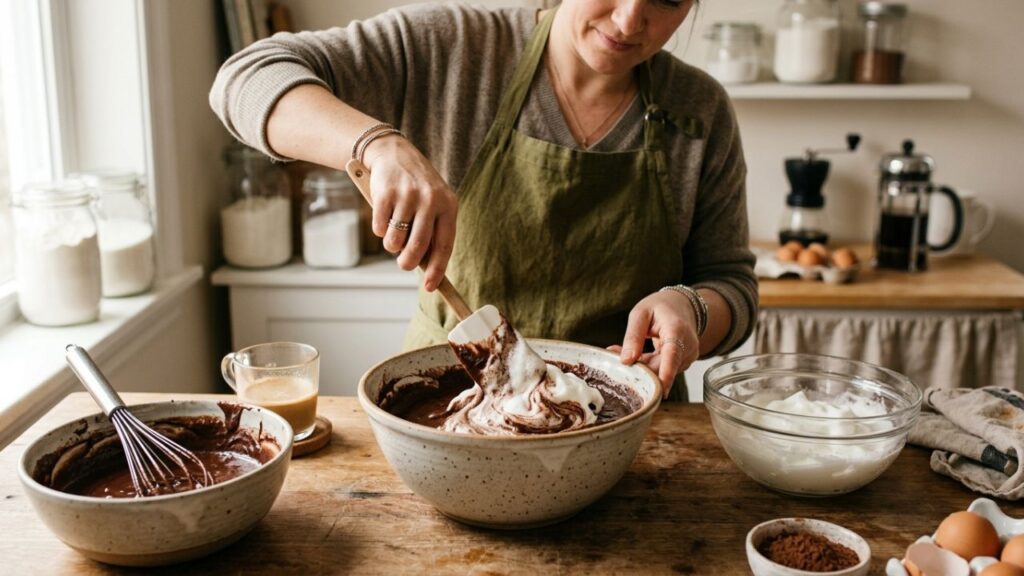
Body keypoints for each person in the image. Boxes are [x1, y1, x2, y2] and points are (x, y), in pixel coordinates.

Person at [210, 0, 757, 400]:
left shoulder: (700, 110)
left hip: (630, 428)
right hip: (449, 404)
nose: (630, 19)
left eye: (667, 0)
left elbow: (731, 283)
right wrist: (375, 144)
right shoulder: (452, 47)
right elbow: (245, 78)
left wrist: (693, 309)